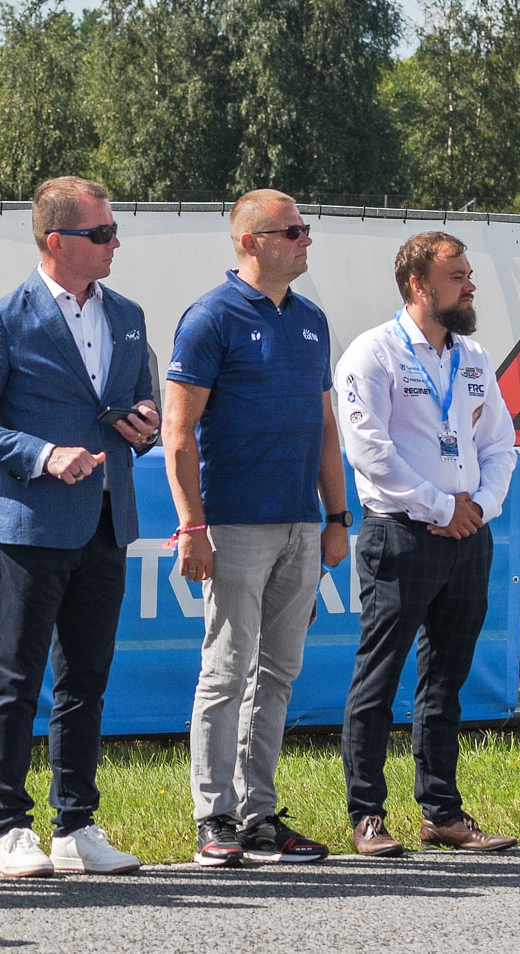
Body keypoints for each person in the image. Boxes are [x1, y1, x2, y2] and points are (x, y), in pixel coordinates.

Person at [0, 176, 157, 878]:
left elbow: (138, 402)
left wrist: (144, 423)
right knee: (17, 678)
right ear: (56, 241)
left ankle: (75, 825)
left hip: (107, 518)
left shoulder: (127, 314)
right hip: (32, 523)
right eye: (101, 233)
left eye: (114, 230)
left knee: (87, 680)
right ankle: (9, 827)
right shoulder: (2, 320)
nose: (114, 243)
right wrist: (43, 455)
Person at [163, 189, 345, 867]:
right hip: (235, 523)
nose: (305, 239)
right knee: (226, 671)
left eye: (305, 228)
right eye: (291, 231)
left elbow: (325, 427)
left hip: (301, 523)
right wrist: (192, 526)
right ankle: (213, 816)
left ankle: (259, 817)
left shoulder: (311, 319)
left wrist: (336, 517)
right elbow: (178, 432)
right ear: (250, 241)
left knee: (278, 675)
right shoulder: (211, 317)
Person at [334, 232, 519, 856]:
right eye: (456, 276)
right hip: (402, 534)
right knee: (379, 675)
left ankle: (442, 811)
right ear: (418, 284)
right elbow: (369, 452)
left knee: (446, 680)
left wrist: (479, 508)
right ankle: (367, 814)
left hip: (469, 536)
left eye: (469, 274)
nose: (470, 286)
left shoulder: (474, 357)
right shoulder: (373, 353)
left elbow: (499, 445)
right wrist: (442, 507)